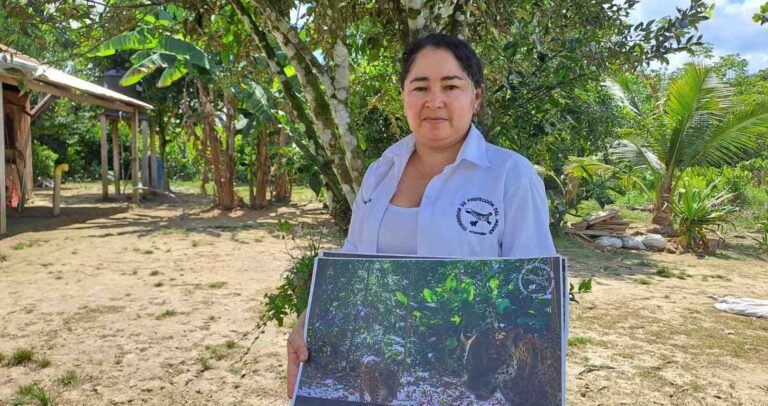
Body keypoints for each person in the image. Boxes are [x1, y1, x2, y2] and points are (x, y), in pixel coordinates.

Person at [286, 33, 556, 399]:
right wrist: (310, 321)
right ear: (403, 96)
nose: (434, 100)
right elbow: (353, 254)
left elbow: (536, 282)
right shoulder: (381, 172)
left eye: (451, 85)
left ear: (476, 97)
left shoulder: (511, 175)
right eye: (420, 87)